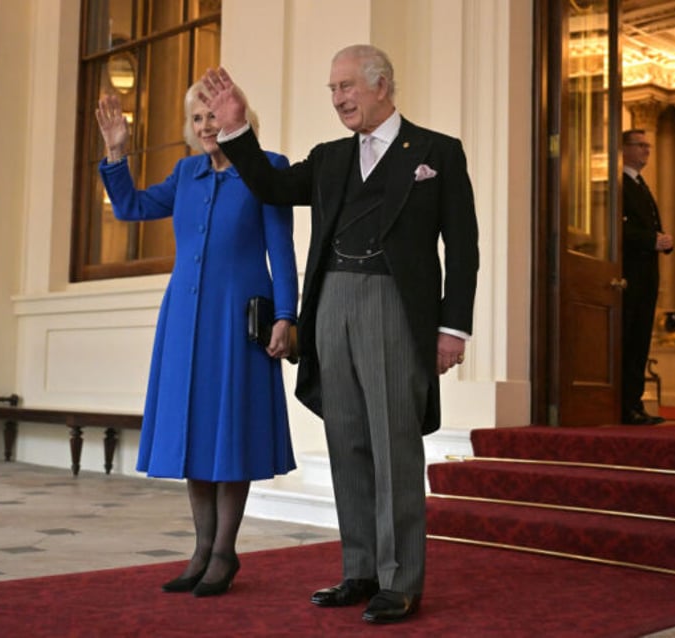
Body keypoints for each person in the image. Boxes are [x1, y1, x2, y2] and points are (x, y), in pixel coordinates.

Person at [200, 44, 479, 623]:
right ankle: (361, 569)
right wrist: (235, 130)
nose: (338, 99)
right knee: (347, 440)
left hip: (395, 307)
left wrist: (452, 328)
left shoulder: (436, 152)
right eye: (332, 90)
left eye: (347, 86)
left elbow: (464, 248)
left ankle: (401, 579)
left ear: (382, 85)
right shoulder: (328, 158)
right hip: (331, 307)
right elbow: (273, 189)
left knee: (393, 444)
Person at [95, 82, 298, 596]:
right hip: (186, 320)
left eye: (214, 116)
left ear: (237, 115)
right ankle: (201, 549)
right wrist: (117, 152)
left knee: (231, 431)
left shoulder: (266, 167)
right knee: (197, 431)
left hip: (238, 321)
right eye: (199, 119)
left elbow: (283, 249)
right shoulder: (186, 173)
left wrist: (287, 315)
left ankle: (225, 552)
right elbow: (132, 208)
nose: (207, 127)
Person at [621, 128, 673, 425]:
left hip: (646, 275)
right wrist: (650, 240)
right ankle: (626, 406)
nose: (646, 151)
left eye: (647, 146)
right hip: (629, 275)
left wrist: (663, 240)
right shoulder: (620, 185)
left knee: (640, 340)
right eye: (640, 145)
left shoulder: (640, 184)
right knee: (628, 340)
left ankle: (635, 403)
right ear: (624, 149)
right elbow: (617, 229)